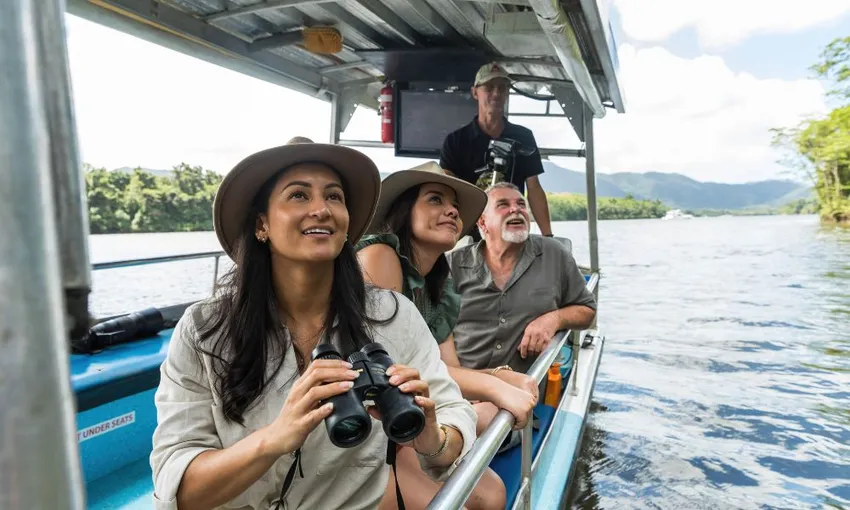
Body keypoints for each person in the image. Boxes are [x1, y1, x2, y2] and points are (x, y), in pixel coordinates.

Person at [149, 139, 478, 510]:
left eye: (334, 197)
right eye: (299, 196)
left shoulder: (393, 317)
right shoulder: (204, 331)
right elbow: (178, 489)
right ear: (262, 224)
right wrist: (275, 438)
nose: (321, 209)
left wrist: (431, 436)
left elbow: (454, 414)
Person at [355, 162, 538, 510]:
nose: (452, 210)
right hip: (366, 424)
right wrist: (495, 385)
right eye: (435, 200)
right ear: (405, 212)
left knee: (493, 493)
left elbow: (443, 370)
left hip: (404, 417)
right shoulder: (380, 257)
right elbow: (386, 371)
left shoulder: (436, 284)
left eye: (453, 205)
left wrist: (502, 377)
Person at [447, 182, 597, 376]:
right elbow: (433, 334)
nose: (515, 209)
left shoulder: (553, 254)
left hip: (524, 387)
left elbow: (588, 310)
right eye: (502, 204)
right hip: (462, 385)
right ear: (482, 223)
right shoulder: (452, 265)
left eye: (521, 204)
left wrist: (553, 319)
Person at [439, 62, 553, 240]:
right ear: (475, 92)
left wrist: (548, 236)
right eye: (490, 87)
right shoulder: (455, 141)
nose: (496, 93)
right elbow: (447, 191)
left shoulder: (523, 137)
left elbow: (534, 188)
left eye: (502, 88)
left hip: (511, 232)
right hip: (468, 235)